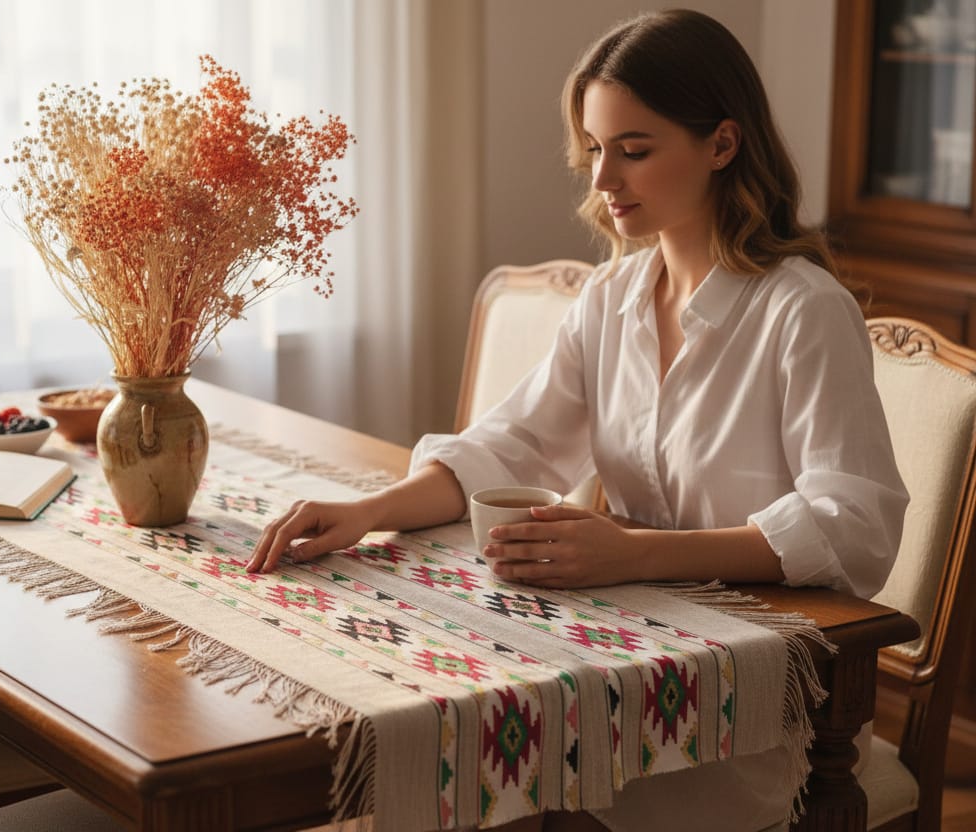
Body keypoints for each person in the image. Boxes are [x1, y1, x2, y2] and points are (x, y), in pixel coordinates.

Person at [248, 9, 908, 832]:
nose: (602, 179)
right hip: (614, 660)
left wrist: (634, 553)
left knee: (464, 789)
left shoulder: (803, 312)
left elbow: (855, 528)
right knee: (425, 763)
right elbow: (510, 442)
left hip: (738, 709)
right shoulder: (613, 298)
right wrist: (371, 512)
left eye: (634, 150)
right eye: (595, 149)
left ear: (723, 144)